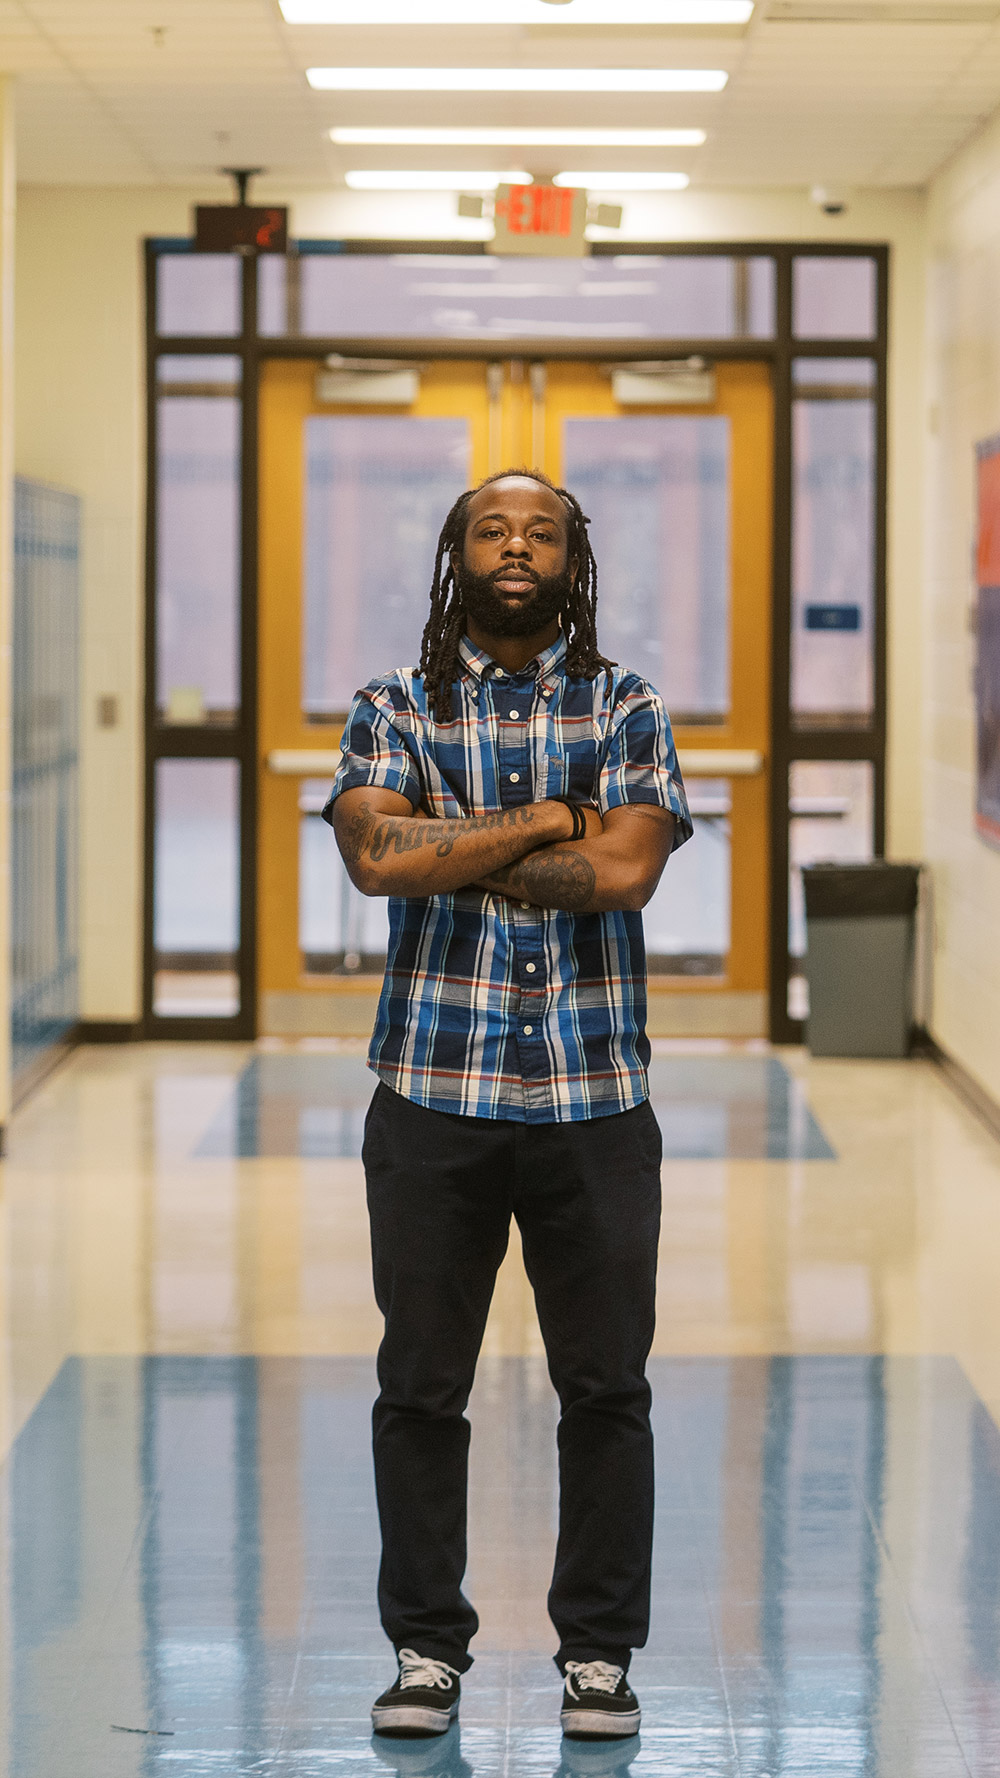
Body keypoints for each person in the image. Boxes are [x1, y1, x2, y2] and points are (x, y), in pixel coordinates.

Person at [325, 468, 692, 1742]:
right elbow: (377, 857)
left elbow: (626, 873)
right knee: (420, 1384)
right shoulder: (392, 703)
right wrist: (551, 813)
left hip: (595, 1099)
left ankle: (597, 1654)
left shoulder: (627, 702)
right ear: (456, 554)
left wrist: (456, 837)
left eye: (541, 527)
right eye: (492, 527)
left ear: (574, 554)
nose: (516, 544)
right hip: (433, 1096)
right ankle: (426, 1647)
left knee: (607, 1387)